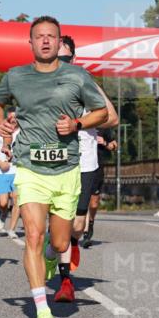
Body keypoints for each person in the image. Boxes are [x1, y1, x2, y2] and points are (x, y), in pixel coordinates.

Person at [0, 16, 108, 318]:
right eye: (39, 36)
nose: (45, 41)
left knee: (58, 241)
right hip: (31, 168)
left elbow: (103, 113)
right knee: (32, 234)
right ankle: (43, 311)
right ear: (30, 43)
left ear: (59, 43)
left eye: (51, 36)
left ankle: (52, 256)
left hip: (67, 170)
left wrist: (78, 124)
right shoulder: (16, 77)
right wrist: (2, 127)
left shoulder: (78, 76)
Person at [60, 35, 120, 258]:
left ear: (74, 58)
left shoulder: (87, 83)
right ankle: (62, 270)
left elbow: (112, 118)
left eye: (65, 57)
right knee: (57, 219)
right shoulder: (41, 83)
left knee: (77, 225)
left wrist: (79, 124)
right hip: (55, 161)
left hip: (84, 160)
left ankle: (69, 244)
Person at [0, 113, 22, 239]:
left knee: (17, 199)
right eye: (11, 117)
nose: (14, 120)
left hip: (18, 170)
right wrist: (0, 163)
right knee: (3, 202)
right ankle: (3, 213)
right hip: (2, 170)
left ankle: (12, 229)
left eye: (16, 117)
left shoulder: (23, 132)